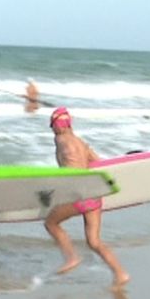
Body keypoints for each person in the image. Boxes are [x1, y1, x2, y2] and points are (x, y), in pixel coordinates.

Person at [43, 107, 130, 287]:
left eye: (52, 126)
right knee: (94, 241)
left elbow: (67, 166)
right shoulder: (82, 143)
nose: (52, 130)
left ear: (59, 125)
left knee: (51, 223)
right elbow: (97, 162)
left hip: (78, 195)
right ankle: (120, 273)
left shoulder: (60, 139)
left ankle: (71, 257)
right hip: (94, 195)